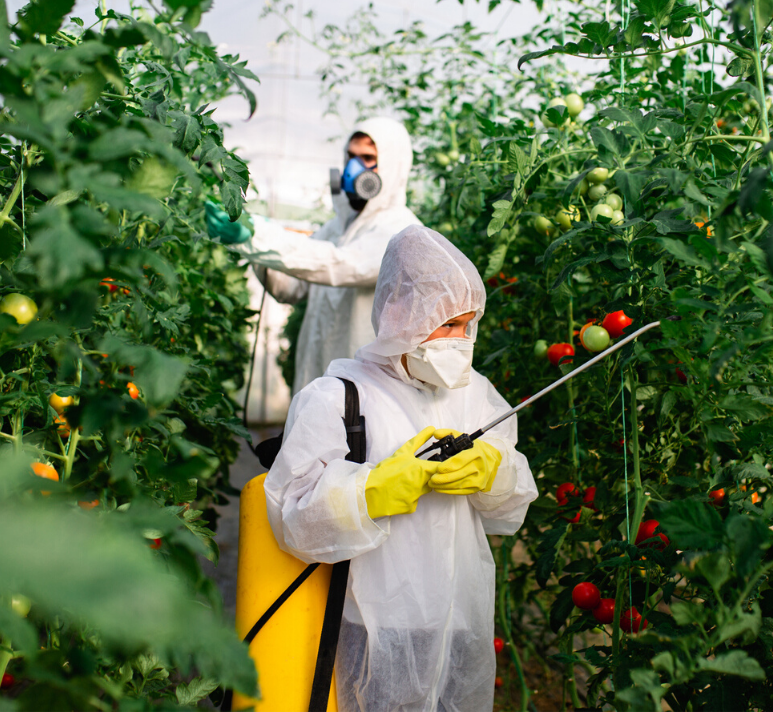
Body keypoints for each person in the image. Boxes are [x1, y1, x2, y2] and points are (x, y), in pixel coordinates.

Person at [263, 225, 538, 711]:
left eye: (467, 325)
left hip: (458, 615)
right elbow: (292, 520)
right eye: (446, 324)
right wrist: (366, 494)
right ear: (397, 313)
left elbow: (511, 508)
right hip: (374, 620)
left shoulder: (475, 394)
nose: (460, 342)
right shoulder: (339, 398)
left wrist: (495, 472)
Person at [205, 117, 421, 394]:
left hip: (365, 390)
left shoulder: (401, 231)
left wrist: (257, 235)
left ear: (393, 166)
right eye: (350, 156)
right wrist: (255, 247)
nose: (354, 168)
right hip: (319, 375)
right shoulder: (337, 227)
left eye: (367, 158)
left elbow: (339, 264)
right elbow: (292, 288)